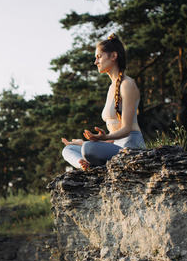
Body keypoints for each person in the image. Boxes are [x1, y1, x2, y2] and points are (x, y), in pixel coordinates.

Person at [61, 33, 145, 170]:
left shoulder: (127, 84)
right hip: (114, 146)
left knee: (88, 147)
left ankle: (91, 162)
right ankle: (86, 166)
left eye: (99, 57)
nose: (96, 62)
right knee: (68, 149)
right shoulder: (112, 88)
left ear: (113, 56)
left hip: (130, 147)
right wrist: (82, 142)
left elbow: (126, 130)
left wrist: (102, 138)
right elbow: (112, 138)